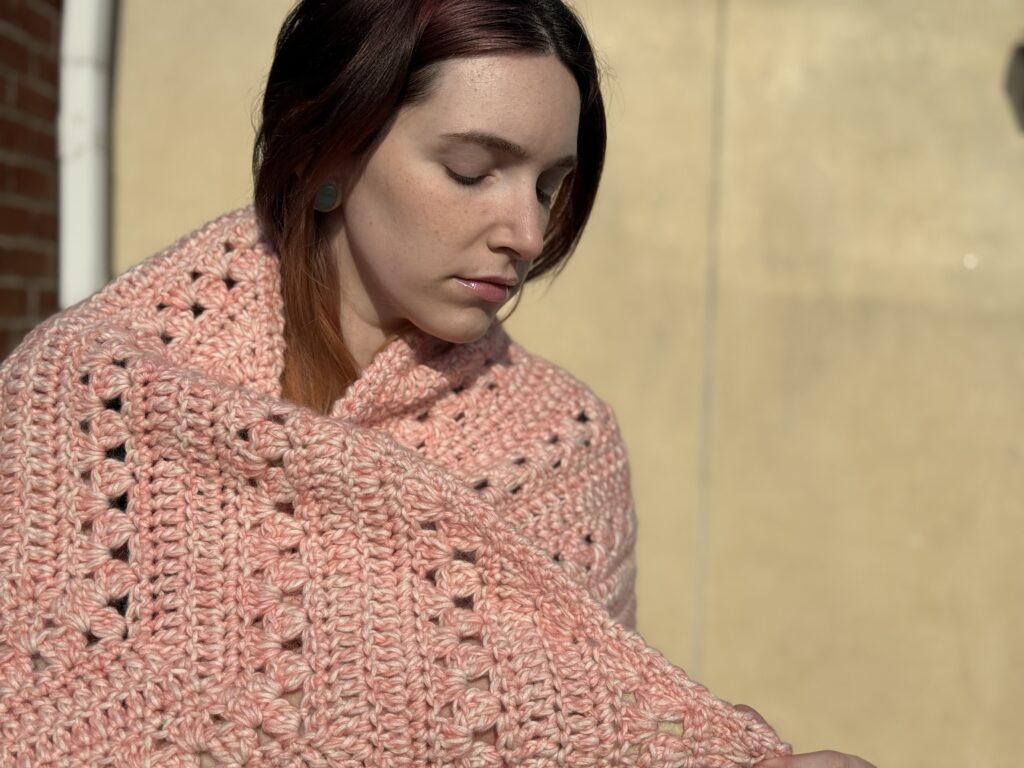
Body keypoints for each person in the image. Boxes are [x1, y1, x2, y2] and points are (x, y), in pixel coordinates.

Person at [0, 1, 874, 765]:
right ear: (329, 152)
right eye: (471, 171)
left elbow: (593, 731)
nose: (526, 231)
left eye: (551, 183)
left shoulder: (560, 446)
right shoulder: (89, 402)